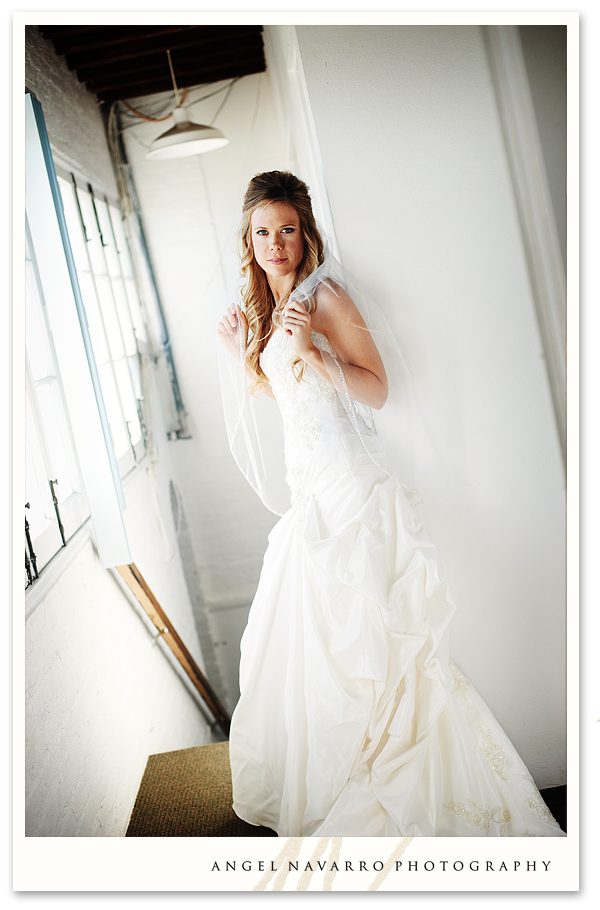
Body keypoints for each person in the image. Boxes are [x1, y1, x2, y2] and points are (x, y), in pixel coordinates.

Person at [216, 171, 565, 837]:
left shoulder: (327, 298)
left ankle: (405, 779)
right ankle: (342, 772)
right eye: (263, 232)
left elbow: (377, 391)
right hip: (308, 490)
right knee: (317, 643)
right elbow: (287, 399)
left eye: (286, 229)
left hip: (351, 489)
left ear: (305, 232)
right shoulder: (266, 306)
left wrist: (316, 352)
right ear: (249, 239)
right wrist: (243, 354)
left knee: (375, 640)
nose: (275, 243)